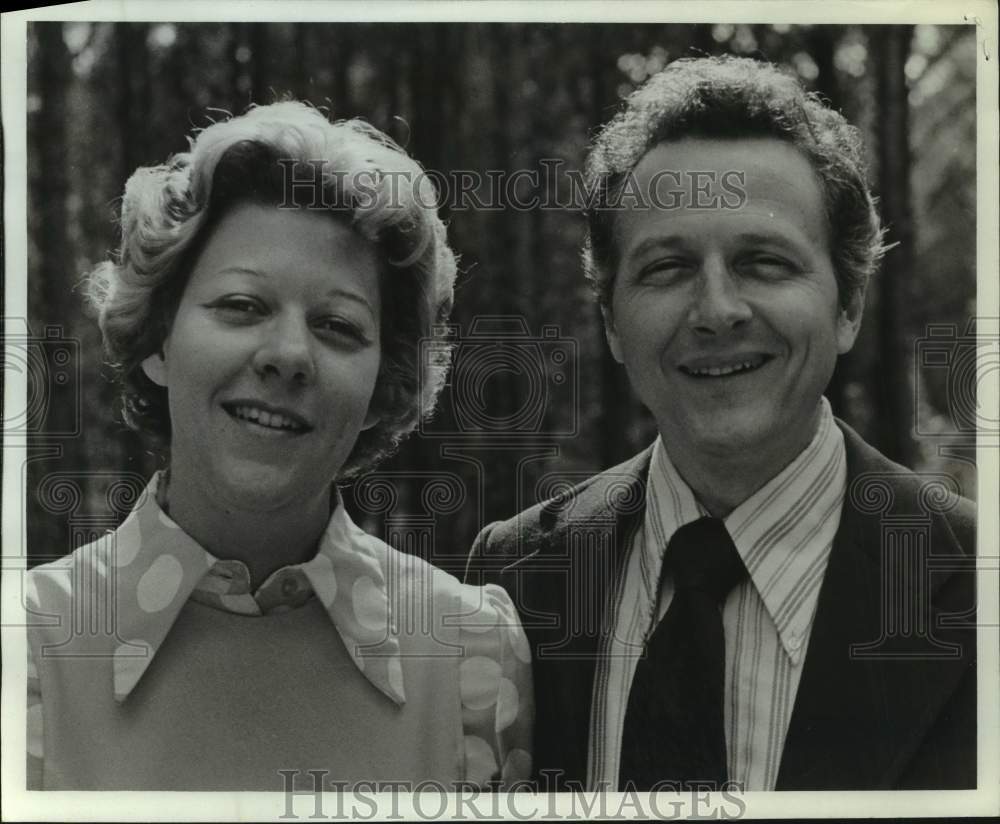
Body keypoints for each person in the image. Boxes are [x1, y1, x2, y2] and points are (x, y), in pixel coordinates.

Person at [467, 56, 975, 792]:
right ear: (612, 321)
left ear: (849, 306)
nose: (716, 312)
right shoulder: (517, 579)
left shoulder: (972, 586)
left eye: (764, 262)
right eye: (667, 268)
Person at [26, 101, 532, 790]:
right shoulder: (25, 645)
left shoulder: (474, 653)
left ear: (384, 383)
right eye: (242, 306)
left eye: (337, 325)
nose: (290, 355)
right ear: (158, 341)